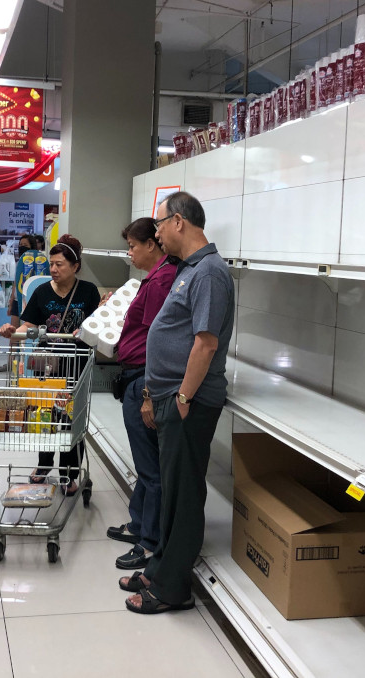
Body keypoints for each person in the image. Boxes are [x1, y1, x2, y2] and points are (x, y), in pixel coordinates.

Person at [120, 191, 234, 615]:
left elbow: (205, 344)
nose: (157, 232)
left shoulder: (208, 274)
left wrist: (183, 397)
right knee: (172, 493)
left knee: (184, 497)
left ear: (180, 221)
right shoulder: (189, 270)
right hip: (172, 398)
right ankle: (160, 566)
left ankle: (172, 589)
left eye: (160, 223)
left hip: (188, 402)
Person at [0, 234, 100, 495]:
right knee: (46, 415)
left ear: (75, 266)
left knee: (72, 420)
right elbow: (28, 324)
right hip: (48, 366)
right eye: (51, 264)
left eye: (59, 264)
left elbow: (95, 327)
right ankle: (44, 465)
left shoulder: (88, 291)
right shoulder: (42, 292)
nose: (53, 269)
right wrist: (14, 331)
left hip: (77, 365)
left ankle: (69, 473)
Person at [105, 218, 178, 571]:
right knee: (145, 465)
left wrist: (149, 393)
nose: (130, 253)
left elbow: (158, 344)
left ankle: (150, 543)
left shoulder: (162, 281)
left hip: (144, 381)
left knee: (151, 469)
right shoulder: (151, 279)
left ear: (153, 244)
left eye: (133, 246)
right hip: (135, 378)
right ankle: (139, 525)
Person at [8, 234, 48, 326]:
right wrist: (11, 303)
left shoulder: (40, 262)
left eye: (25, 245)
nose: (22, 247)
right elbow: (16, 282)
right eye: (20, 245)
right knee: (14, 334)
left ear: (32, 246)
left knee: (27, 333)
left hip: (31, 300)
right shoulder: (19, 263)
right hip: (17, 300)